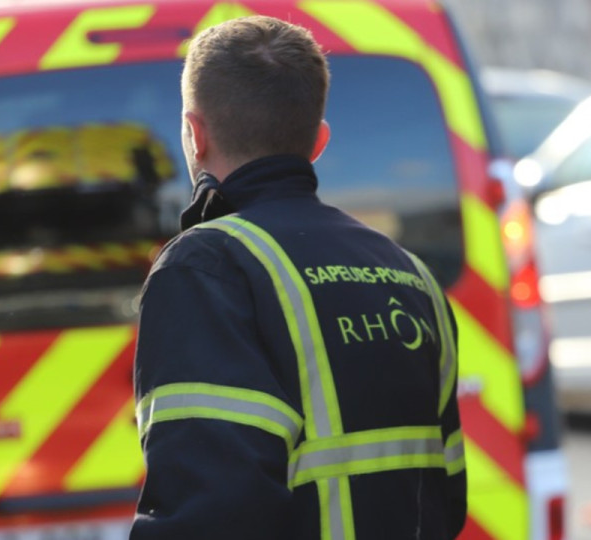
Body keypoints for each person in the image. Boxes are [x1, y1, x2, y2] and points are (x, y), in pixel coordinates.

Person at [130, 16, 466, 540]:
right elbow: (446, 496)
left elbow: (210, 515)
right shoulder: (412, 275)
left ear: (195, 136)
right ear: (319, 142)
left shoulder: (209, 268)